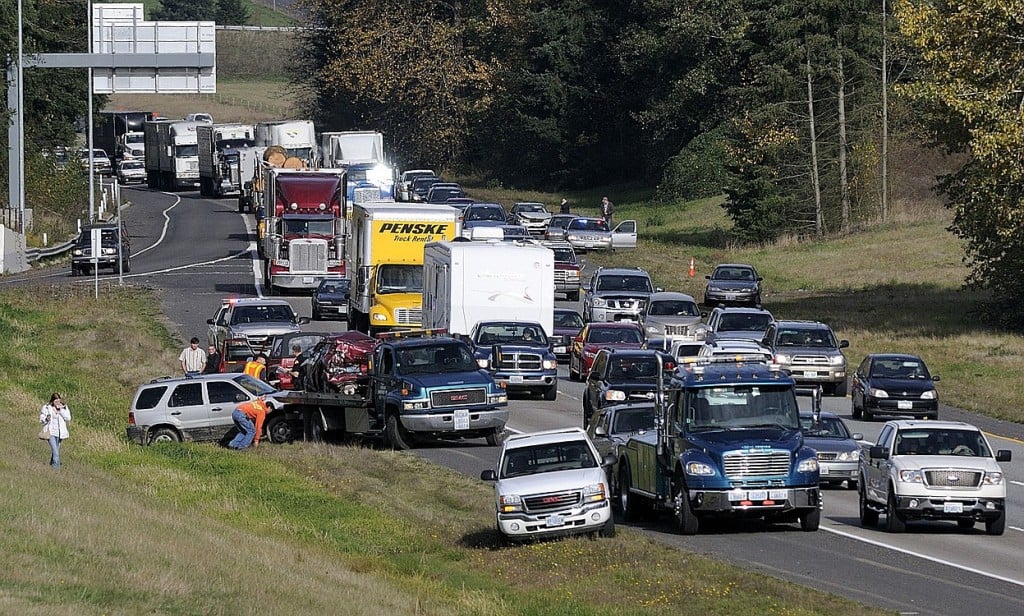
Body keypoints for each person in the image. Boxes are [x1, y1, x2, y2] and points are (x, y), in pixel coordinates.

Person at [39, 393, 71, 469]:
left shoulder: (64, 408)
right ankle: (56, 469)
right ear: (52, 400)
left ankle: (51, 463)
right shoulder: (47, 407)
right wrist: (46, 419)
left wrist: (60, 410)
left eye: (58, 400)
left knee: (55, 451)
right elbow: (41, 417)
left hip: (60, 433)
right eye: (55, 400)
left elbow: (68, 418)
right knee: (56, 452)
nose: (57, 401)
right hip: (51, 433)